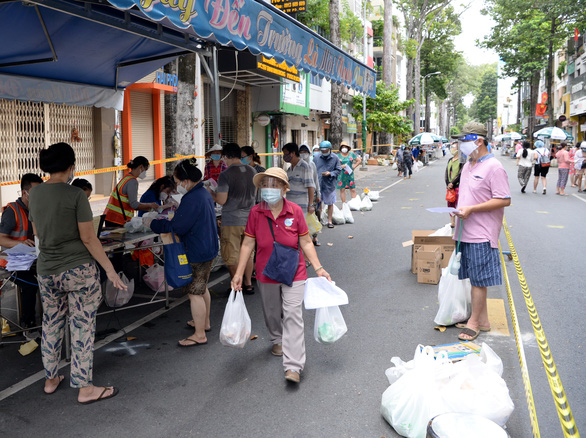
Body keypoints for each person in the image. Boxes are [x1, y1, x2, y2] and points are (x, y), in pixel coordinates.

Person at [28, 142, 126, 403]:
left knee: (51, 323)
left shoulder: (34, 194)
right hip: (78, 271)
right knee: (82, 326)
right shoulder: (75, 195)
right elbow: (89, 238)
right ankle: (85, 388)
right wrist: (110, 270)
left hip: (47, 270)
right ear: (71, 166)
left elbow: (37, 233)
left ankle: (51, 379)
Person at [231, 168, 331, 384]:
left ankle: (293, 366)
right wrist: (238, 273)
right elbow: (248, 243)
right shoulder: (256, 212)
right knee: (272, 312)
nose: (269, 189)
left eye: (275, 185)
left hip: (294, 271)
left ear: (285, 189)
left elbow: (306, 241)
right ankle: (277, 338)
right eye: (266, 184)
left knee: (293, 314)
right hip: (266, 272)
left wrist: (319, 268)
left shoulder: (295, 211)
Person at [145, 159, 218, 347]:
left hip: (196, 250)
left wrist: (153, 223)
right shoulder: (203, 193)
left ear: (186, 180)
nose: (177, 186)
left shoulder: (192, 198)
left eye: (178, 182)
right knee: (202, 288)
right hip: (207, 247)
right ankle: (204, 323)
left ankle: (200, 334)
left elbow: (178, 226)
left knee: (194, 293)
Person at [452, 122, 511, 342]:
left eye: (464, 141)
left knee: (479, 282)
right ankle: (482, 320)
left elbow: (504, 199)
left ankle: (474, 323)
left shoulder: (494, 167)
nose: (460, 145)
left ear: (478, 141)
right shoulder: (469, 164)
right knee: (472, 278)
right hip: (464, 231)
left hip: (481, 233)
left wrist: (472, 209)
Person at [0, 173, 44, 338]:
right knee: (31, 285)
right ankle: (28, 325)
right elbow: (1, 238)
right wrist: (20, 244)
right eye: (36, 192)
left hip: (31, 259)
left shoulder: (37, 209)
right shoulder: (12, 211)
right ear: (25, 193)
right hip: (11, 263)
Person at [210, 143, 256, 294]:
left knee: (231, 254)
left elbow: (221, 200)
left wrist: (211, 193)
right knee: (248, 253)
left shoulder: (226, 174)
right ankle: (248, 284)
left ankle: (236, 286)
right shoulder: (252, 170)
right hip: (250, 219)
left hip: (232, 220)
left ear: (227, 156)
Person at [103, 156, 159, 226]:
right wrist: (151, 205)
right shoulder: (132, 181)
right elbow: (134, 204)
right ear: (141, 167)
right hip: (119, 220)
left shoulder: (126, 177)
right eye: (145, 170)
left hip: (111, 218)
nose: (145, 173)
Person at [314, 141, 342, 228]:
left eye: (325, 150)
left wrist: (330, 173)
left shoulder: (335, 158)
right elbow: (312, 169)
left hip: (329, 184)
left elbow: (339, 170)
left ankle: (330, 221)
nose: (324, 152)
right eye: (322, 151)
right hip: (318, 184)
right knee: (318, 203)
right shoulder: (316, 157)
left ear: (329, 149)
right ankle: (319, 220)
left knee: (330, 203)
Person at [282, 142, 315, 213]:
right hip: (290, 206)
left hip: (301, 207)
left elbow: (310, 186)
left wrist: (311, 205)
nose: (284, 156)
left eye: (286, 153)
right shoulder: (289, 169)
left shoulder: (305, 167)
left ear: (293, 153)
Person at [299, 144, 321, 246]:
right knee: (303, 217)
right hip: (301, 194)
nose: (303, 154)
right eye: (301, 152)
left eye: (305, 152)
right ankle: (304, 238)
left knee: (314, 214)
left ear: (309, 153)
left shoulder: (312, 165)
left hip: (313, 193)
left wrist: (318, 193)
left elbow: (316, 179)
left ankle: (315, 236)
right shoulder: (297, 165)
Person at [444, 144, 462, 228]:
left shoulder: (461, 161)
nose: (452, 149)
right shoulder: (450, 160)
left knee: (459, 204)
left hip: (457, 185)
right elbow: (446, 172)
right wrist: (448, 183)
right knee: (450, 204)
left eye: (454, 147)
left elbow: (460, 173)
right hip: (450, 187)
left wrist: (453, 183)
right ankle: (452, 221)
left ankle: (460, 221)